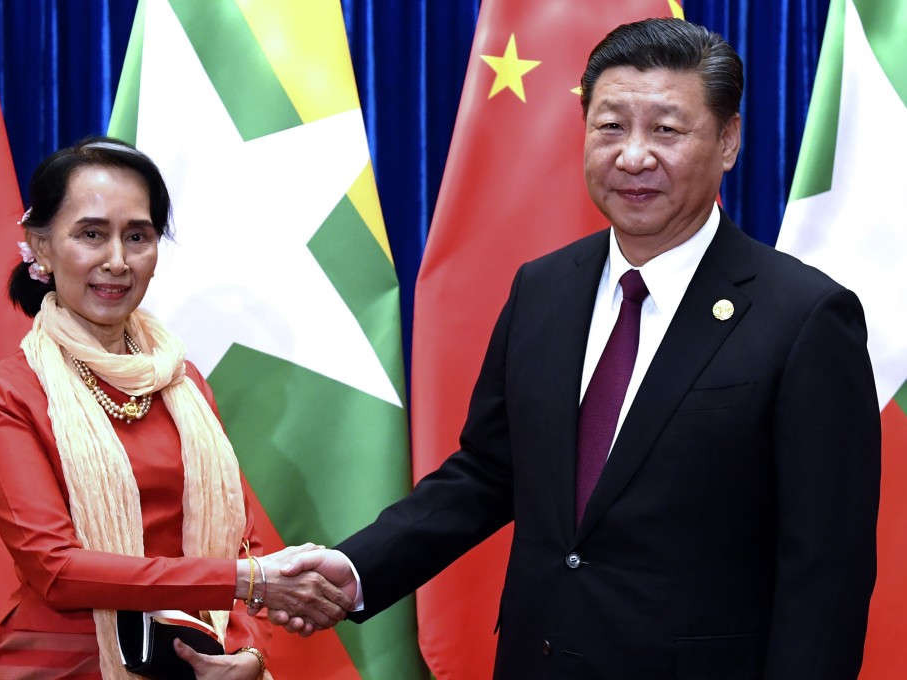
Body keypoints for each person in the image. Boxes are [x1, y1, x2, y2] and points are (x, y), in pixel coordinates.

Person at [264, 18, 882, 679]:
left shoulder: (805, 316)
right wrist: (357, 568)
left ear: (728, 141)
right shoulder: (545, 289)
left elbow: (826, 572)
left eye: (667, 130)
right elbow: (487, 473)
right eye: (611, 126)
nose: (634, 156)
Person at [0, 137, 350, 680]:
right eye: (91, 234)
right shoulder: (6, 392)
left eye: (138, 237)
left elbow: (244, 540)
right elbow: (57, 570)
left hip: (195, 661)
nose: (117, 261)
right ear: (42, 248)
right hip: (66, 664)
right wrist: (246, 579)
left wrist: (249, 653)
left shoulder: (183, 383)